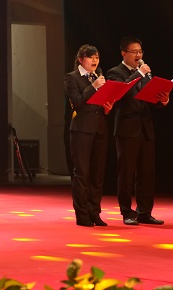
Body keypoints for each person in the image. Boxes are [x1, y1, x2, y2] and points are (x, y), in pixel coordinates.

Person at [106, 37, 169, 226]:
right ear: (123, 53)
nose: (139, 55)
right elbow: (120, 93)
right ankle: (127, 212)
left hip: (146, 128)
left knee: (146, 173)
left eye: (140, 51)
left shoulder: (145, 72)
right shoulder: (115, 72)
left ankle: (145, 212)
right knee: (126, 173)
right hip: (127, 129)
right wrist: (139, 73)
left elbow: (150, 97)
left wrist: (163, 99)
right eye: (134, 52)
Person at [64, 44, 113, 227]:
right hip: (81, 130)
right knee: (82, 173)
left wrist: (108, 107)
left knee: (97, 174)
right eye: (91, 57)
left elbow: (100, 102)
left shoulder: (98, 76)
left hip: (100, 129)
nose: (95, 60)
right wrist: (93, 86)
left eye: (97, 57)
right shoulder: (72, 77)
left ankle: (95, 212)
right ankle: (82, 214)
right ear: (80, 59)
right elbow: (77, 102)